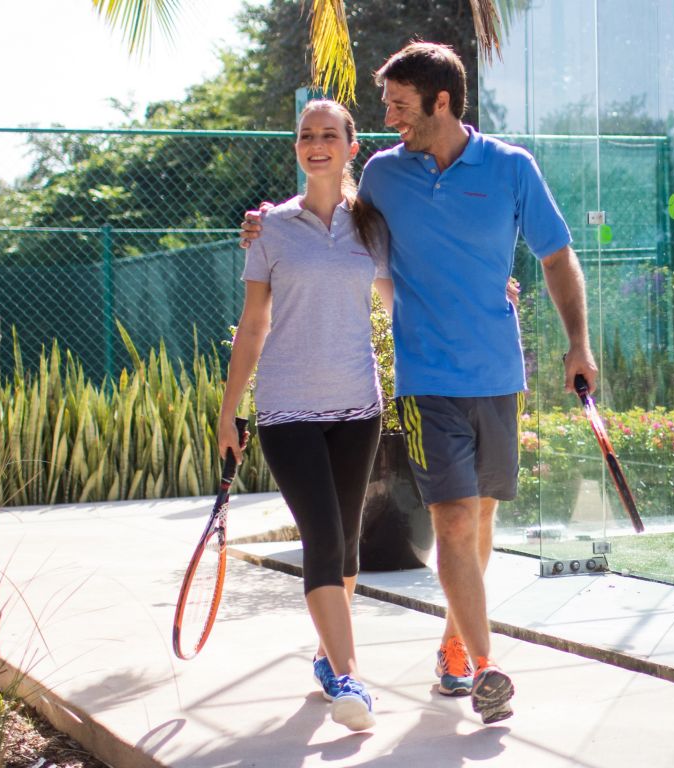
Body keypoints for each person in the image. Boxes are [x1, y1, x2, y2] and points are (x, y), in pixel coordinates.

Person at [243, 42, 595, 725]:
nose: (389, 117)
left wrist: (578, 344)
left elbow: (557, 256)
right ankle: (490, 669)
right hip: (425, 378)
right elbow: (332, 214)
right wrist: (264, 222)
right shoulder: (382, 175)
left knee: (481, 518)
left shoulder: (512, 168)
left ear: (441, 102)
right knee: (454, 519)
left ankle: (456, 648)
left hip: (498, 374)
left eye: (400, 105)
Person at [221, 99, 392, 731]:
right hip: (287, 410)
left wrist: (490, 294)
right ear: (297, 147)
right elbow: (253, 323)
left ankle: (327, 660)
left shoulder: (372, 226)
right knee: (321, 538)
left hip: (359, 408)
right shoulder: (268, 229)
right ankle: (351, 678)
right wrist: (227, 411)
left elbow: (406, 297)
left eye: (329, 135)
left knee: (345, 551)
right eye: (306, 135)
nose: (315, 143)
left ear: (351, 146)